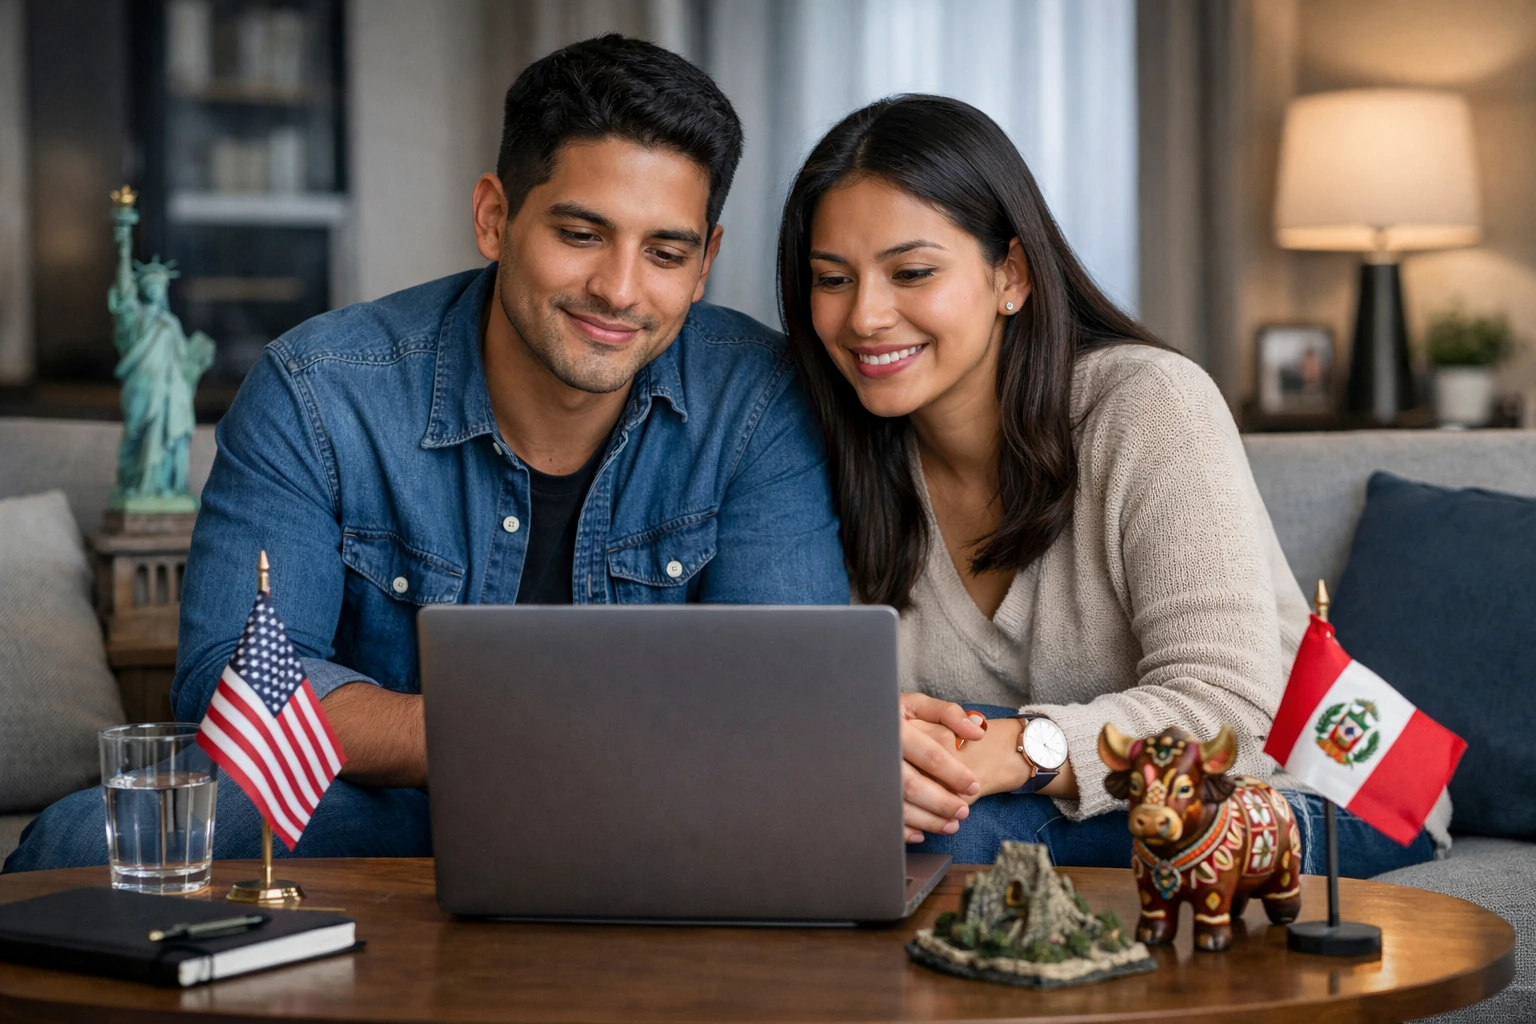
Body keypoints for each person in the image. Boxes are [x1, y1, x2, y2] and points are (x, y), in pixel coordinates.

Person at [6, 35, 848, 873]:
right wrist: (532, 738)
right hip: (396, 806)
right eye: (582, 234)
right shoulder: (319, 387)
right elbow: (242, 684)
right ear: (494, 217)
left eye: (666, 252)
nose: (621, 290)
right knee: (83, 843)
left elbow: (777, 695)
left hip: (663, 804)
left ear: (705, 264)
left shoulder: (759, 400)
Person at [776, 94, 1443, 875]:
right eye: (832, 278)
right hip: (1066, 791)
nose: (865, 316)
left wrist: (1012, 746)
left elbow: (1229, 713)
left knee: (945, 838)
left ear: (1011, 276)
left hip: (1325, 787)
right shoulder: (824, 446)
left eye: (912, 272)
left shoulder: (1148, 403)